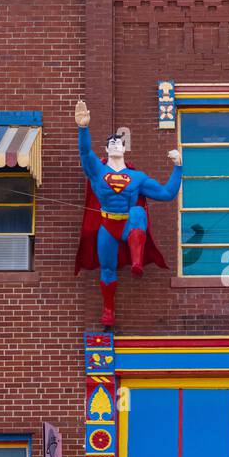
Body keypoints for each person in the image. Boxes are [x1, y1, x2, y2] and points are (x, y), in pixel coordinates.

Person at [74, 98, 182, 326]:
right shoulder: (97, 171)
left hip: (129, 225)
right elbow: (85, 153)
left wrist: (178, 167)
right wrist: (83, 128)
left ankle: (137, 261)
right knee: (107, 269)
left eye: (118, 142)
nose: (114, 144)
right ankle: (108, 310)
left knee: (137, 212)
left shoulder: (138, 177)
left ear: (124, 148)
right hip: (107, 226)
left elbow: (166, 194)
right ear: (106, 149)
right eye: (110, 142)